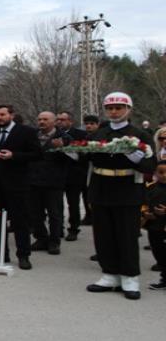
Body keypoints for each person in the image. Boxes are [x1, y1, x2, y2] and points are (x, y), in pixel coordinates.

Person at [85, 92, 155, 300]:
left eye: (118, 108)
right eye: (110, 108)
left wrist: (134, 156)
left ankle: (130, 277)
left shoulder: (140, 134)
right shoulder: (99, 133)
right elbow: (86, 158)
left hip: (127, 189)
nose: (114, 112)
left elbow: (150, 166)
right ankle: (110, 274)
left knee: (126, 235)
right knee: (104, 234)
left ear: (128, 110)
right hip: (101, 186)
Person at [0, 104, 41, 270]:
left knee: (19, 221)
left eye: (2, 114)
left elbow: (37, 154)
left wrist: (14, 156)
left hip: (17, 184)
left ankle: (23, 255)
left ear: (11, 115)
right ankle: (1, 252)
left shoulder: (26, 131)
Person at [28, 111, 73, 255]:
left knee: (55, 214)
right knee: (35, 213)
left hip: (54, 182)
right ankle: (41, 238)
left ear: (54, 122)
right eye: (40, 119)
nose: (42, 122)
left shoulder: (65, 138)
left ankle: (54, 241)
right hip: (33, 181)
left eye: (45, 119)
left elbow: (74, 159)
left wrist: (62, 148)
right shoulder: (32, 135)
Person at [56, 111, 89, 241]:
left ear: (70, 121)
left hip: (75, 174)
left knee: (73, 203)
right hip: (57, 174)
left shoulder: (80, 134)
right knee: (57, 204)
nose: (59, 122)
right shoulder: (54, 134)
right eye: (58, 119)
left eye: (62, 120)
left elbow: (84, 154)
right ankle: (58, 228)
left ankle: (74, 228)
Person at [142, 161, 166, 291]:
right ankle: (164, 278)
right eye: (160, 172)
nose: (164, 175)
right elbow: (143, 203)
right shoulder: (150, 187)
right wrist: (145, 213)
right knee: (158, 252)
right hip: (154, 227)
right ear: (155, 173)